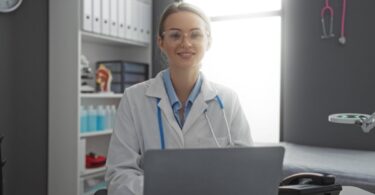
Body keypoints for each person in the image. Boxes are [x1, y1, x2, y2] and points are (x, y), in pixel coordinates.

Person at [105, 2, 252, 195]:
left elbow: (247, 172)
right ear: (161, 42)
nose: (186, 43)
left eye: (195, 34)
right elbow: (119, 173)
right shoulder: (134, 98)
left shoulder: (227, 100)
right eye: (175, 35)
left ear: (208, 41)